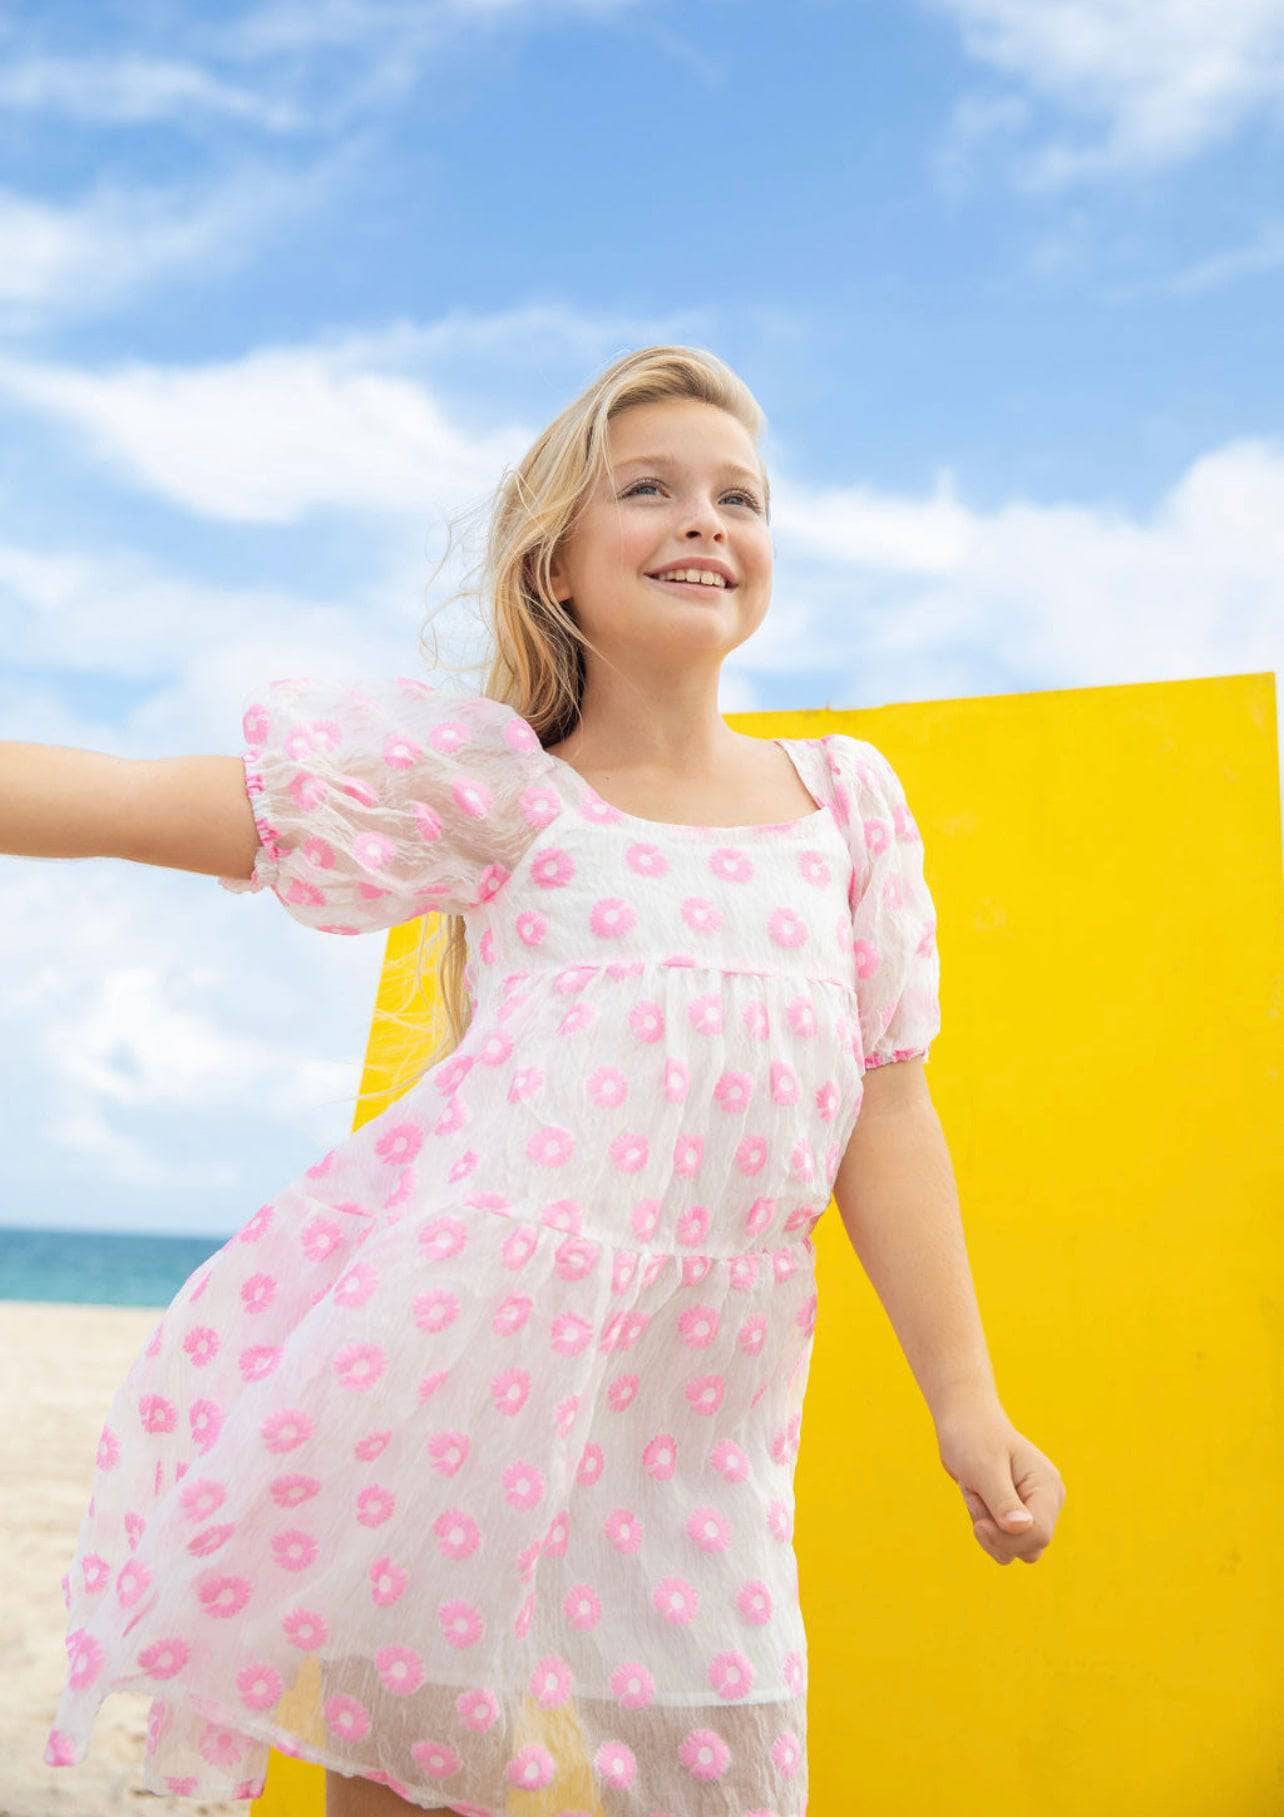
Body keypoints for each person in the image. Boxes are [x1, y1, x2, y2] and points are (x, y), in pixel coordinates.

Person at [7, 343, 1064, 1817]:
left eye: (740, 497)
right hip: (454, 1394)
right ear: (557, 567)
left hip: (701, 1429)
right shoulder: (504, 792)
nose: (707, 519)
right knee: (407, 1774)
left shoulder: (849, 811)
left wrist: (967, 1401)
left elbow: (886, 1106)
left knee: (706, 1767)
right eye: (651, 489)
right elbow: (138, 801)